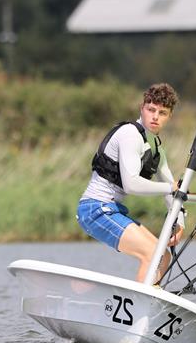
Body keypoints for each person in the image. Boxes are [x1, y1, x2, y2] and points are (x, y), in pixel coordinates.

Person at [77, 83, 184, 283]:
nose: (155, 117)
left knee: (163, 255)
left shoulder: (156, 147)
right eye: (151, 110)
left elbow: (171, 188)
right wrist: (170, 187)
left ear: (169, 116)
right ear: (141, 108)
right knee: (153, 254)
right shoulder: (130, 134)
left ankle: (146, 308)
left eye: (162, 113)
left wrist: (180, 221)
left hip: (114, 209)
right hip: (94, 209)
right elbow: (132, 184)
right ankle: (139, 310)